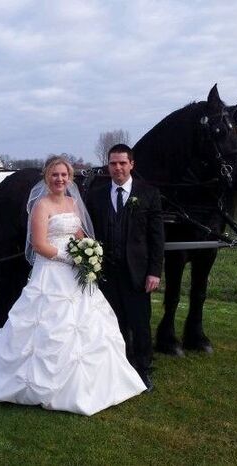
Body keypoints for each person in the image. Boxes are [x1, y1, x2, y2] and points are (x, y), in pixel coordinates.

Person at [0, 156, 146, 416]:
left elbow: (78, 233)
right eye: (55, 175)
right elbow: (39, 244)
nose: (60, 180)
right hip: (53, 271)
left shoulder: (71, 202)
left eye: (64, 175)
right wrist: (71, 257)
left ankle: (97, 381)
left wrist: (89, 249)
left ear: (70, 178)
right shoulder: (41, 206)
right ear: (47, 178)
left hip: (73, 273)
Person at [86, 144, 164, 392]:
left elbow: (157, 238)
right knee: (112, 323)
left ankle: (142, 370)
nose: (117, 168)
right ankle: (116, 368)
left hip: (138, 273)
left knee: (140, 323)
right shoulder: (96, 195)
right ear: (107, 166)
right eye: (113, 163)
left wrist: (154, 271)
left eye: (122, 163)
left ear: (132, 164)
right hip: (106, 273)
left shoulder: (149, 194)